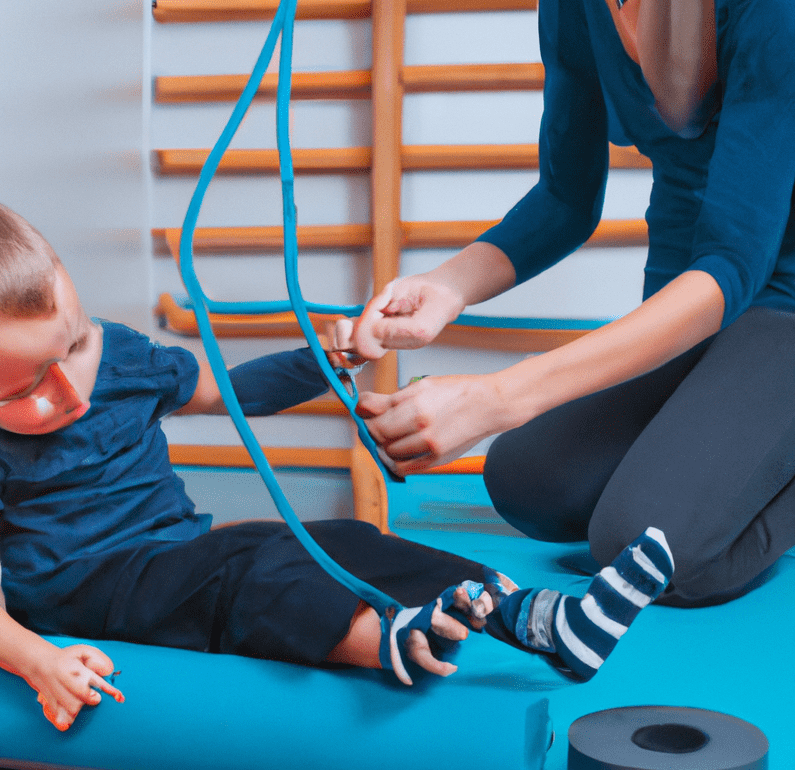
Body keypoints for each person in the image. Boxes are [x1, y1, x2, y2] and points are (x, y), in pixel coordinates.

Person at [0, 196, 673, 731]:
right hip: (87, 599)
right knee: (250, 562)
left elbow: (227, 391)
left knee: (345, 540)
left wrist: (330, 358)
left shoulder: (118, 358)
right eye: (25, 387)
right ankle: (383, 642)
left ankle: (540, 619)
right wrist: (37, 660)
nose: (69, 386)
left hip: (172, 555)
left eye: (72, 344)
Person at [330, 0, 795, 608]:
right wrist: (448, 287)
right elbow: (565, 198)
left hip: (780, 306)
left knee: (642, 550)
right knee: (526, 481)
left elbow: (733, 264)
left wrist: (499, 396)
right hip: (688, 297)